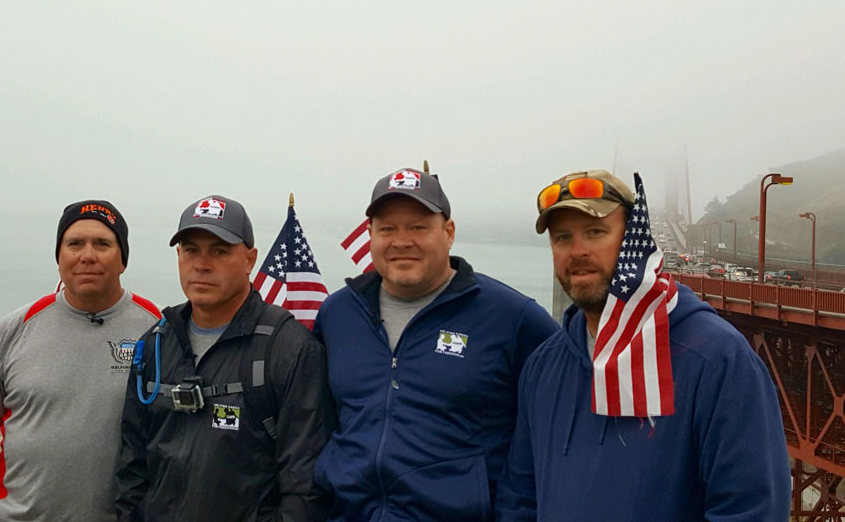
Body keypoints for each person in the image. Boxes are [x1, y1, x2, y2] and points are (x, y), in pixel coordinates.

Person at [495, 169, 790, 521]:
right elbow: (519, 499)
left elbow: (750, 511)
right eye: (562, 238)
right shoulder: (543, 367)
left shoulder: (718, 360)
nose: (577, 251)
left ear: (635, 239)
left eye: (595, 232)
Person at [312, 169, 560, 520]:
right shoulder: (337, 314)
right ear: (370, 235)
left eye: (418, 227)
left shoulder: (513, 318)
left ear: (449, 233)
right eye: (387, 229)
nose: (402, 241)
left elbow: (557, 427)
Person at [0, 200, 161, 522]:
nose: (87, 255)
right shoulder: (16, 328)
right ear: (59, 257)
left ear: (122, 259)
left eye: (103, 244)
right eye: (75, 244)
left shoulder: (155, 330)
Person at [115, 195, 336, 522]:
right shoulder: (156, 344)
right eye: (191, 250)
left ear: (250, 259)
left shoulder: (290, 349)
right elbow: (132, 469)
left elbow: (305, 486)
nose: (202, 264)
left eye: (219, 250)